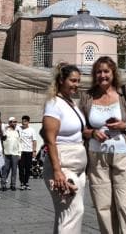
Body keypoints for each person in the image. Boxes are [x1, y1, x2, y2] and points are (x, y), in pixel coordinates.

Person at [79, 56, 126, 234]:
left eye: (106, 71)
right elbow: (81, 128)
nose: (102, 75)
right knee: (103, 207)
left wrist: (125, 125)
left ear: (113, 73)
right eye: (98, 72)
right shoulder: (87, 96)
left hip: (123, 155)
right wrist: (92, 133)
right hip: (97, 156)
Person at [42, 63, 88, 234]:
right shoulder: (54, 104)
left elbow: (78, 132)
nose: (76, 84)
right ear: (61, 80)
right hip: (63, 165)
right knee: (73, 211)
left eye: (78, 81)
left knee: (66, 213)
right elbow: (50, 140)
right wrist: (57, 170)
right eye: (73, 80)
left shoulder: (71, 103)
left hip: (78, 167)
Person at [1, 117, 21, 191]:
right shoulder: (5, 131)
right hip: (7, 153)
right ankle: (3, 184)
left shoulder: (17, 132)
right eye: (13, 122)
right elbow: (2, 136)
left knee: (14, 170)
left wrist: (19, 153)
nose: (15, 123)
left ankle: (13, 184)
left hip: (15, 154)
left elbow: (19, 143)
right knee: (5, 170)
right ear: (9, 123)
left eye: (16, 122)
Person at [18, 115, 37, 190]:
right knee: (21, 168)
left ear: (28, 122)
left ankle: (26, 183)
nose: (23, 122)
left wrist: (34, 151)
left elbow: (34, 141)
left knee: (28, 168)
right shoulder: (19, 128)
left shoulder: (32, 130)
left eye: (25, 121)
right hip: (21, 151)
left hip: (29, 151)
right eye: (23, 121)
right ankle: (22, 183)